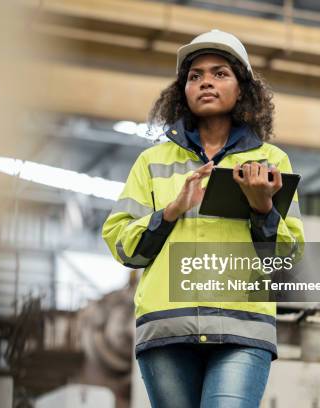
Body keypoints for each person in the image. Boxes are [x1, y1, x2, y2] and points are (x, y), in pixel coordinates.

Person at [102, 29, 304, 407]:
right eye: (195, 76)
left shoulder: (271, 162)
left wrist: (263, 208)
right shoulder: (153, 162)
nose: (206, 82)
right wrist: (170, 211)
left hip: (242, 328)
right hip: (168, 327)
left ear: (242, 89)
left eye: (220, 73)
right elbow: (121, 244)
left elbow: (286, 259)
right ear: (183, 91)